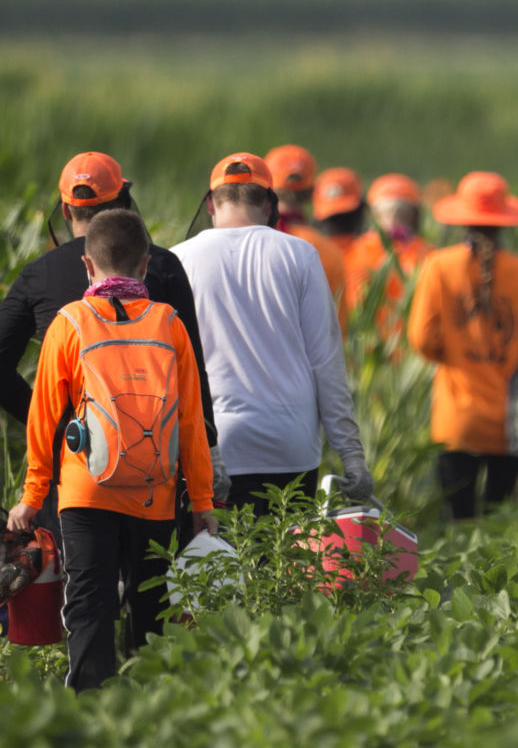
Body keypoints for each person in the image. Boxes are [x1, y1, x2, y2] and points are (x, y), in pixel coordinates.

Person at [10, 210, 215, 693]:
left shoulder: (70, 324)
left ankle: (90, 707)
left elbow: (43, 418)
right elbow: (191, 422)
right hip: (155, 493)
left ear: (87, 266)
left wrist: (33, 494)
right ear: (146, 266)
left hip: (86, 493)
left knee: (89, 604)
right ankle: (150, 709)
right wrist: (203, 502)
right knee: (152, 606)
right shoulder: (169, 323)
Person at [0, 152, 212, 533]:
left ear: (66, 212)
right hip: (155, 470)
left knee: (82, 588)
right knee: (152, 588)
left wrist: (61, 424)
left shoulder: (38, 275)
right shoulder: (161, 266)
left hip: (77, 470)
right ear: (123, 205)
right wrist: (205, 473)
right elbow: (192, 380)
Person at [171, 155, 373, 515]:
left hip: (212, 446)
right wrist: (351, 455)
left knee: (215, 567)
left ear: (210, 205)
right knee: (284, 565)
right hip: (290, 446)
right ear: (269, 204)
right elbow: (326, 363)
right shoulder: (300, 255)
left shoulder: (180, 259)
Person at [407, 172, 518, 522]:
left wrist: (452, 351)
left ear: (462, 220)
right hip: (511, 425)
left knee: (458, 525)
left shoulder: (438, 267)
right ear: (504, 224)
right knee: (498, 526)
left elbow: (421, 339)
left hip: (456, 423)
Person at [344, 173, 435, 332]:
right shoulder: (428, 253)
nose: (394, 220)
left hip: (374, 345)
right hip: (406, 344)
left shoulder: (357, 251)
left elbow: (354, 305)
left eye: (400, 213)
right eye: (389, 212)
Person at [266, 145, 350, 299]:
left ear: (265, 186)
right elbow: (338, 319)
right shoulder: (328, 251)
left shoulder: (248, 244)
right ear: (313, 191)